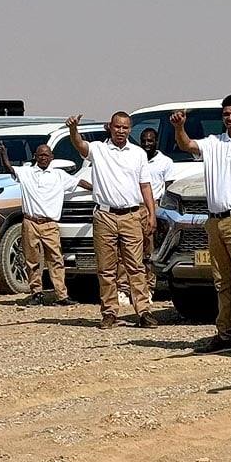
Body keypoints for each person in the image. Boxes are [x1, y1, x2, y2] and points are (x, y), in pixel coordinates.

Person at [171, 94, 231, 358]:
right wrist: (179, 127)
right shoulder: (214, 143)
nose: (230, 118)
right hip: (214, 221)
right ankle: (225, 333)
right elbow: (188, 145)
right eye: (226, 114)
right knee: (221, 282)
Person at [67, 112, 159, 329]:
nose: (121, 131)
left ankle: (143, 311)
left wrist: (151, 214)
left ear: (130, 129)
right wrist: (73, 129)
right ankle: (109, 312)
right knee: (106, 268)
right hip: (105, 216)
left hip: (131, 216)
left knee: (135, 266)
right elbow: (80, 146)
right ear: (110, 127)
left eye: (125, 127)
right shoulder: (98, 150)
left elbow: (145, 186)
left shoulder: (137, 153)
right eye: (117, 127)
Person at [0, 142, 92, 306]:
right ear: (35, 156)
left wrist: (98, 189)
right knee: (31, 260)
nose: (43, 158)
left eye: (46, 155)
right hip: (30, 222)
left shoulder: (59, 175)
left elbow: (79, 182)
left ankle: (61, 295)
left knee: (56, 260)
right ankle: (36, 293)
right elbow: (9, 169)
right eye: (40, 155)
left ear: (52, 158)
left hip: (50, 225)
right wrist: (3, 154)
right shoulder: (26, 172)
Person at [116, 127, 175, 303]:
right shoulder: (134, 157)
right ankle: (124, 288)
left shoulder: (165, 162)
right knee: (126, 249)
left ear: (156, 141)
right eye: (144, 140)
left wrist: (159, 212)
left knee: (150, 250)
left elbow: (169, 188)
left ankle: (149, 287)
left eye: (150, 140)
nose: (146, 144)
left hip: (153, 206)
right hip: (133, 206)